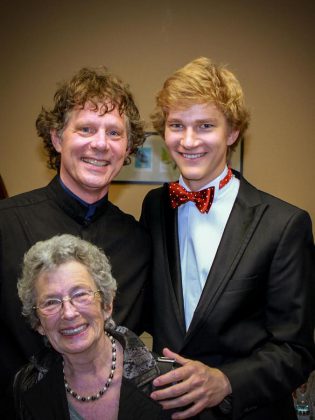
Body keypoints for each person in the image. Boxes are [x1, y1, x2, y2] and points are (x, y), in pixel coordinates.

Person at [140, 57, 315, 419]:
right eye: (177, 125)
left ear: (232, 132)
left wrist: (226, 381)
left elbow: (297, 351)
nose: (188, 141)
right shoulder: (155, 205)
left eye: (205, 125)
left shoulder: (284, 224)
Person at [0, 67, 151, 398]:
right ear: (57, 138)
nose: (100, 144)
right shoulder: (6, 225)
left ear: (127, 150)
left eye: (114, 133)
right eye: (86, 129)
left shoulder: (139, 241)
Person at [14, 234, 169, 419]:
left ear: (106, 304)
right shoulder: (27, 384)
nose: (69, 313)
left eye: (80, 294)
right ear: (38, 323)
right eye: (50, 302)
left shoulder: (168, 379)